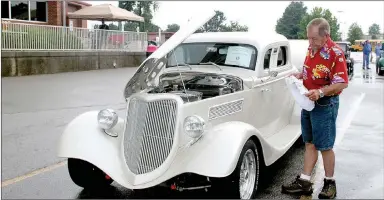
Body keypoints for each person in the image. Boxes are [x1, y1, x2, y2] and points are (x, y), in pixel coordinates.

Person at [281, 18, 349, 199]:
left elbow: (342, 83)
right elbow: (312, 71)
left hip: (325, 104)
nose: (310, 43)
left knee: (325, 146)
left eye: (313, 39)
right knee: (309, 143)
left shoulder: (336, 54)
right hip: (309, 103)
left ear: (326, 36)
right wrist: (299, 75)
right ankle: (304, 182)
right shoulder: (312, 49)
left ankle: (330, 184)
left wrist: (320, 91)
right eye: (308, 38)